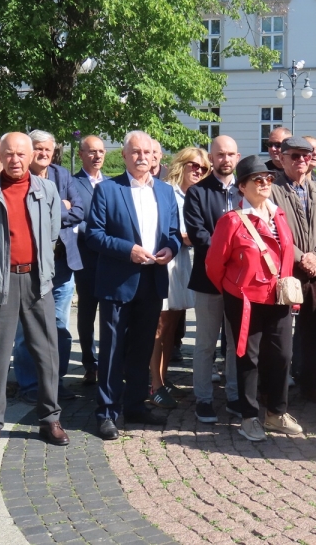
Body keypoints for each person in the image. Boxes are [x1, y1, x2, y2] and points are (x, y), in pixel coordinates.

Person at [0, 132, 69, 454]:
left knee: (47, 353)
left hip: (37, 282)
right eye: (9, 153)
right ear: (0, 155)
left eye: (22, 154)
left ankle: (50, 418)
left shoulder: (47, 190)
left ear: (31, 156)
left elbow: (52, 233)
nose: (15, 159)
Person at [85, 131, 181, 440]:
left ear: (155, 157)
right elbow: (94, 235)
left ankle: (136, 406)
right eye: (136, 152)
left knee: (142, 348)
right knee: (113, 351)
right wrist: (128, 250)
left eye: (148, 152)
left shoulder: (165, 191)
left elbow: (174, 232)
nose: (142, 157)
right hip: (118, 282)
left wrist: (171, 249)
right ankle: (107, 413)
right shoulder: (107, 190)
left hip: (152, 280)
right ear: (124, 155)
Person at [206, 155, 302, 441]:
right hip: (245, 299)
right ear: (242, 187)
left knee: (283, 355)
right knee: (249, 358)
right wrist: (234, 290)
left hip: (278, 297)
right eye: (257, 180)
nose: (265, 183)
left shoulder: (278, 214)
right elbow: (214, 264)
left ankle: (276, 413)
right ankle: (249, 417)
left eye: (268, 179)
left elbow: (286, 256)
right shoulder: (231, 221)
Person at [17, 130, 85, 403]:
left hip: (61, 265)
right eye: (38, 148)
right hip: (29, 266)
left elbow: (79, 211)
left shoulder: (62, 175)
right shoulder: (19, 177)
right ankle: (30, 385)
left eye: (48, 149)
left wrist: (49, 209)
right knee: (26, 328)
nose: (43, 153)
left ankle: (56, 382)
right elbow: (23, 216)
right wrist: (60, 206)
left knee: (59, 326)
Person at [271, 136, 316, 404]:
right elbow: (274, 231)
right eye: (294, 156)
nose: (301, 161)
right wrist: (300, 258)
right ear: (282, 158)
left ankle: (311, 385)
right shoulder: (272, 190)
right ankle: (275, 390)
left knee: (314, 332)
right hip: (287, 271)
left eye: (306, 156)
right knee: (280, 334)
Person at [185, 135, 242, 423]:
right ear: (211, 158)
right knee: (205, 343)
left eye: (230, 154)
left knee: (235, 342)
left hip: (240, 281)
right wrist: (229, 255)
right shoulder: (197, 193)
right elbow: (199, 235)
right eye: (220, 154)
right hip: (208, 279)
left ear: (237, 157)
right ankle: (204, 398)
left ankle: (234, 396)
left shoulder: (246, 191)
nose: (226, 159)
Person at [149, 147, 210, 408]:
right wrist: (198, 236)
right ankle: (154, 384)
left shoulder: (196, 195)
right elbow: (171, 230)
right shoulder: (166, 191)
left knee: (172, 325)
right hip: (166, 261)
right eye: (193, 165)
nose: (198, 171)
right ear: (181, 165)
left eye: (203, 168)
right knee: (159, 326)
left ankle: (163, 378)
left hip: (184, 262)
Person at [73, 134, 107, 386]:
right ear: (81, 154)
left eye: (101, 151)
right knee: (87, 313)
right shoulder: (72, 184)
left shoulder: (113, 184)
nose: (97, 156)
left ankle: (110, 362)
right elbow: (74, 219)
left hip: (112, 259)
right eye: (91, 151)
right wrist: (99, 235)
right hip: (87, 258)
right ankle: (90, 363)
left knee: (111, 314)